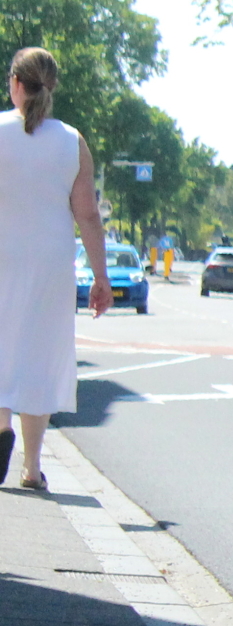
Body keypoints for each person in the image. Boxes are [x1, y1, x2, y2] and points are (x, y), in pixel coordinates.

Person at [0, 48, 110, 492]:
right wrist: (100, 277)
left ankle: (0, 429)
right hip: (50, 264)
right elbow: (87, 215)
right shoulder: (72, 141)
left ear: (16, 84)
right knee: (39, 356)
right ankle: (31, 467)